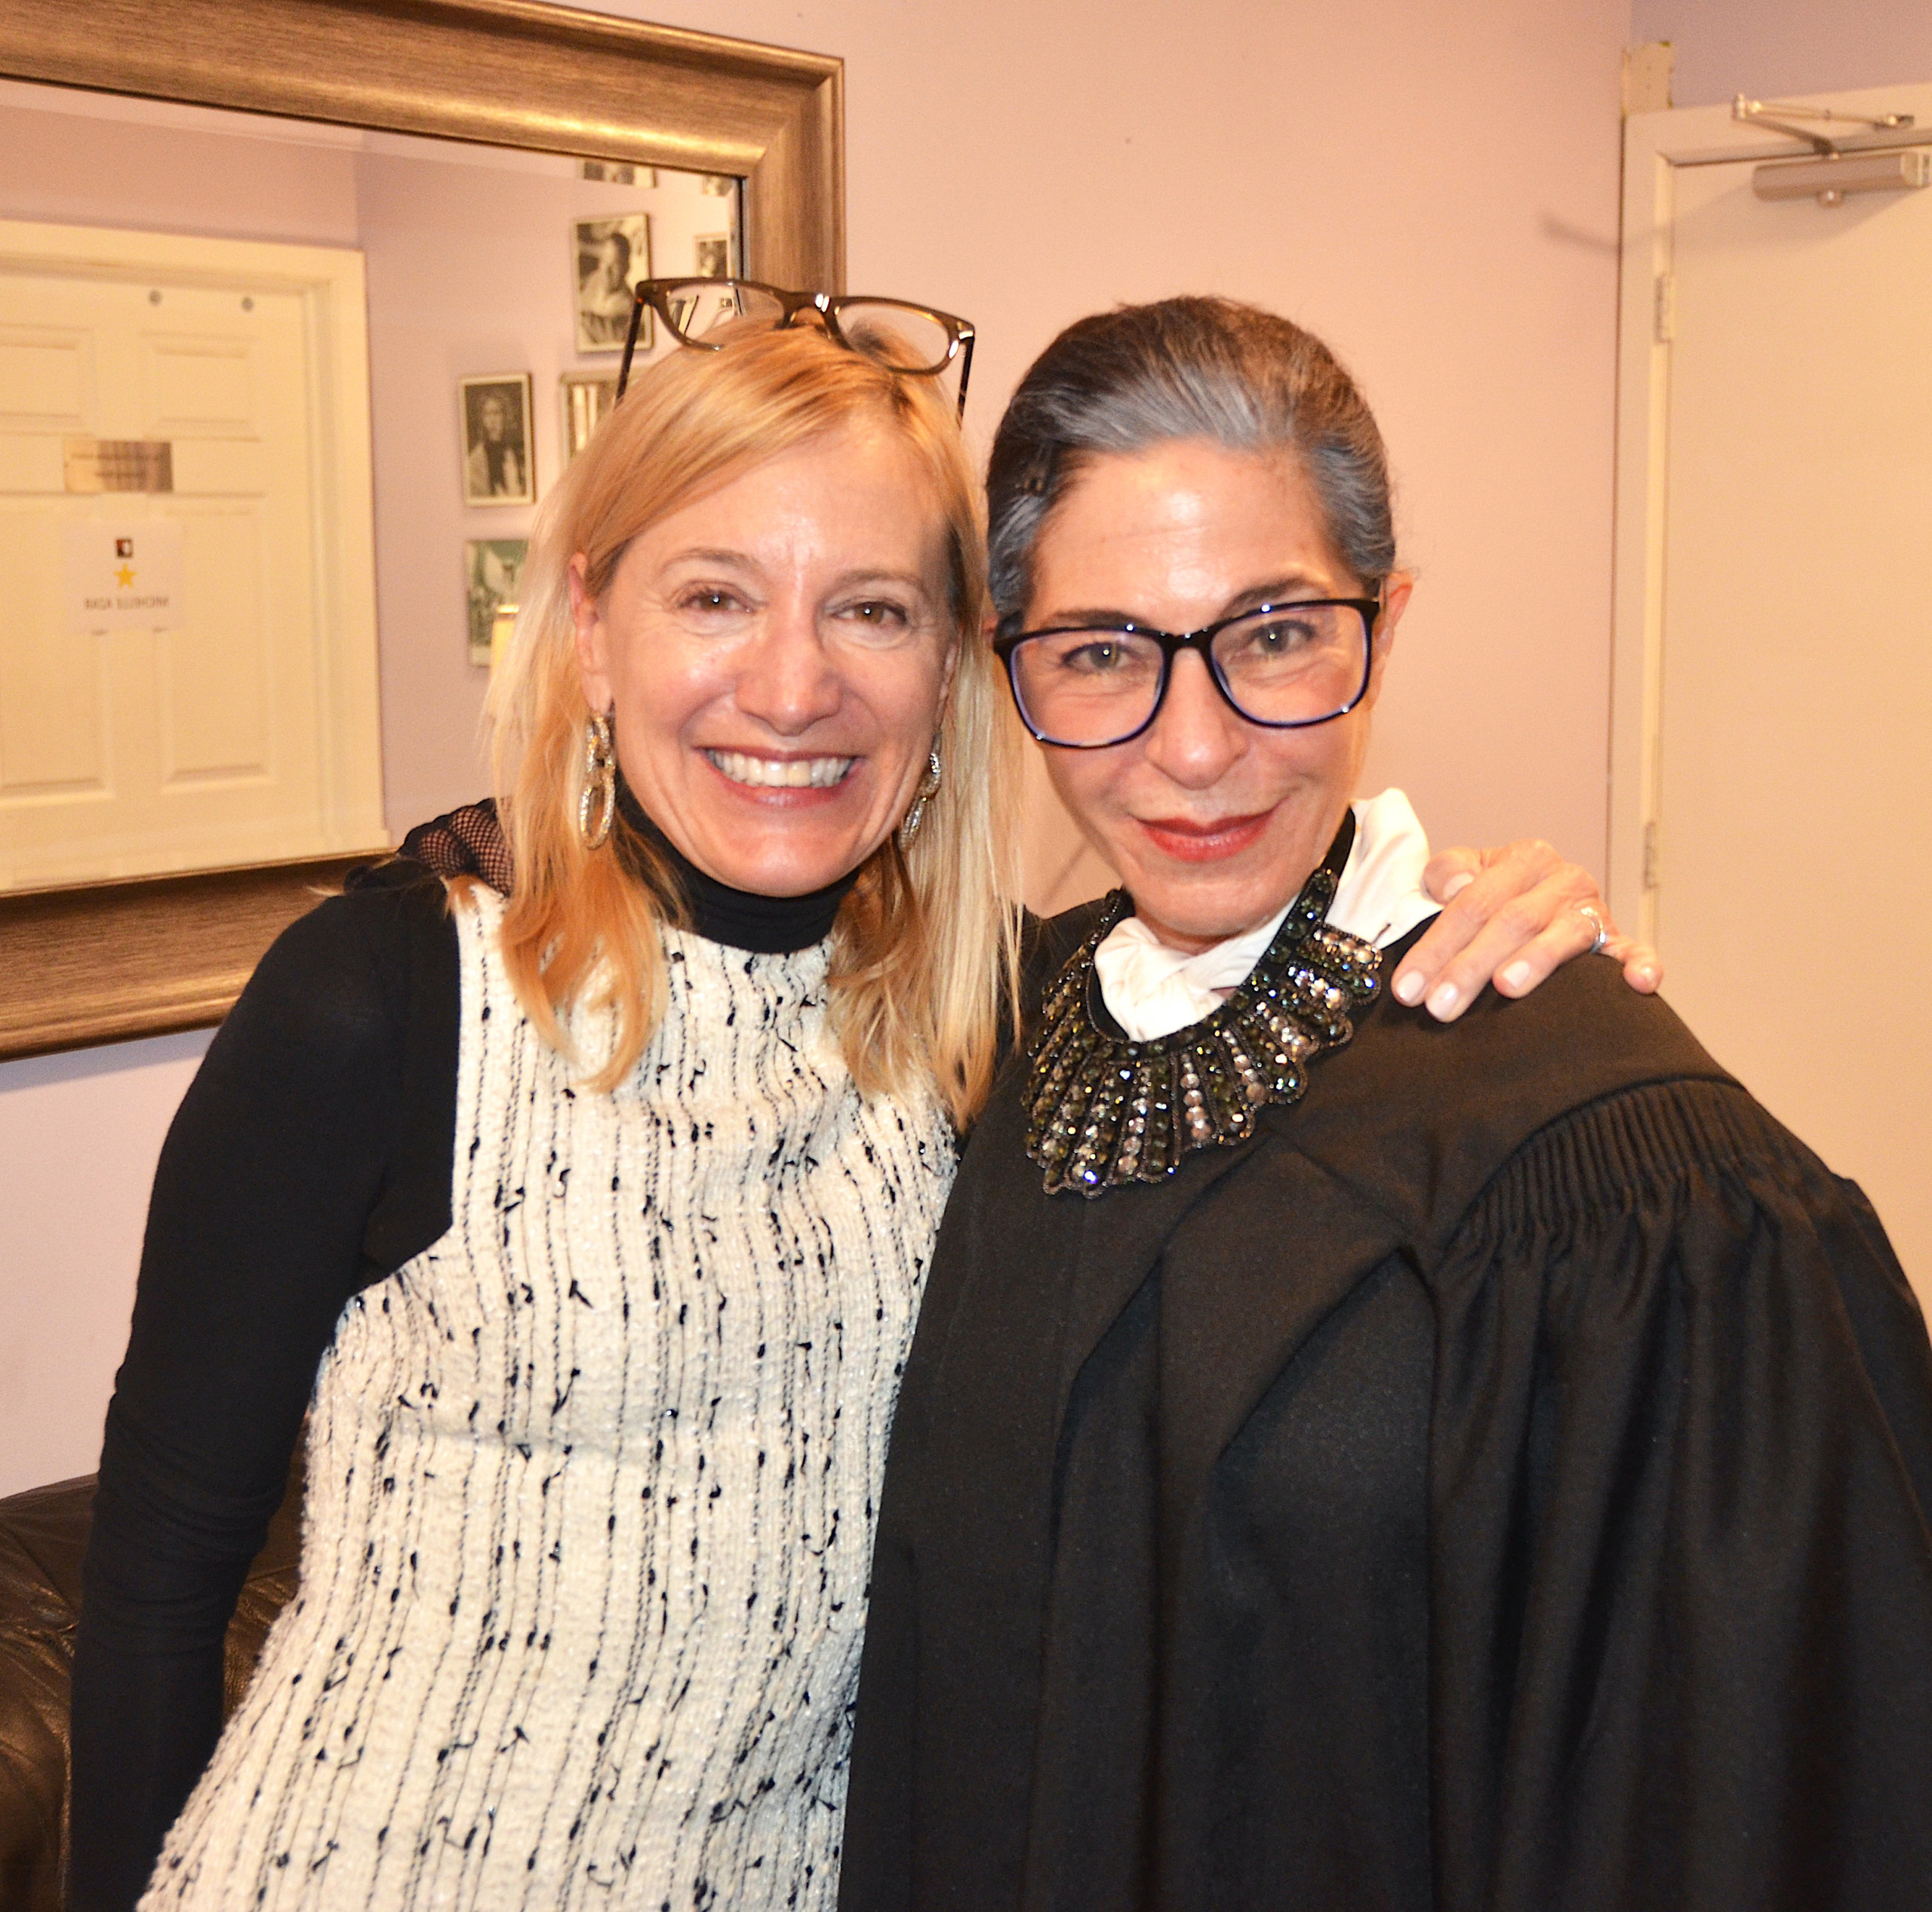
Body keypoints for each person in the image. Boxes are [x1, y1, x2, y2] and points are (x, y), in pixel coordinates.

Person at [72, 299, 1645, 1912]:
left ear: (958, 663)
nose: (790, 682)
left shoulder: (1005, 1024)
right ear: (595, 629)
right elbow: (154, 1583)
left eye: (872, 610)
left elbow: (1282, 980)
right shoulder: (388, 998)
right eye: (713, 596)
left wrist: (1497, 913)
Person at [838, 298, 1932, 1912]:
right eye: (1098, 654)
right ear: (1011, 674)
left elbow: (1741, 1802)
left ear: (1383, 626)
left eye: (1274, 633)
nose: (1193, 748)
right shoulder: (1012, 1031)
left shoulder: (1619, 1169)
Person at [465, 387, 525, 500]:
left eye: (496, 413)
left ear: (505, 415)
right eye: (487, 414)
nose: (492, 420)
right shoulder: (475, 459)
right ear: (482, 419)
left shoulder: (517, 451)